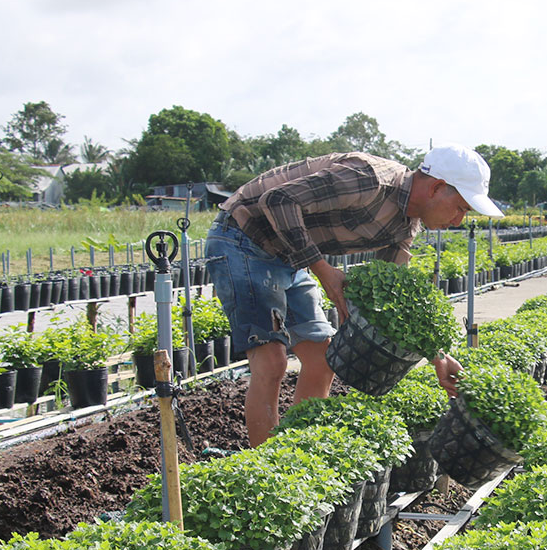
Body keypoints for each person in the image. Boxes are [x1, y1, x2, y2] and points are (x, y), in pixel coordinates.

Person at [206, 143, 502, 445]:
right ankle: (267, 470)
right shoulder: (370, 180)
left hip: (288, 254)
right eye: (461, 208)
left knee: (323, 358)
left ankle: (297, 452)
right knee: (271, 362)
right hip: (243, 237)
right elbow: (278, 200)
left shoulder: (405, 226)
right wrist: (323, 270)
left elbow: (391, 303)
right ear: (437, 187)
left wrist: (437, 356)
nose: (458, 221)